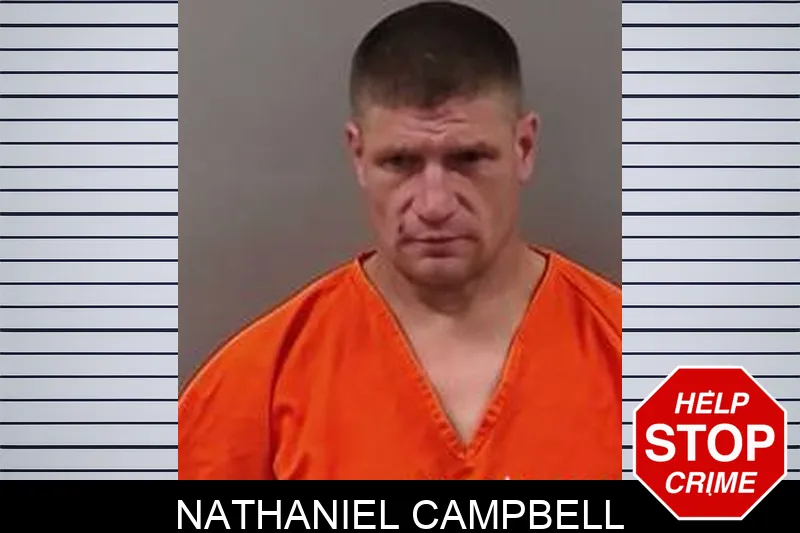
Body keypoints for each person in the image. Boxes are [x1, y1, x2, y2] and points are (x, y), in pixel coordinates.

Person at [179, 0, 621, 480]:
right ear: (359, 155)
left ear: (524, 148)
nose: (435, 204)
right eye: (400, 162)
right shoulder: (258, 388)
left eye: (469, 159)